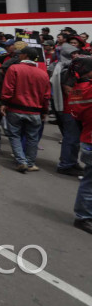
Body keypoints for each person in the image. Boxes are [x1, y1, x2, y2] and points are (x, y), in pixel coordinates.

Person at [1, 47, 51, 173]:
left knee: (14, 135)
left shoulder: (14, 69)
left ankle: (21, 161)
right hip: (35, 111)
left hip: (15, 109)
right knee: (32, 137)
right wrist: (44, 111)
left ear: (24, 55)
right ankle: (30, 163)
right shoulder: (43, 73)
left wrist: (4, 103)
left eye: (20, 54)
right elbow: (46, 96)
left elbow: (8, 89)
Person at [65, 54, 92, 234]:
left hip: (87, 136)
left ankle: (84, 214)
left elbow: (76, 114)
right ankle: (83, 216)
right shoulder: (89, 89)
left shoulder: (77, 89)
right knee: (89, 183)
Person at [52, 44, 84, 177]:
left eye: (77, 53)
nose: (76, 55)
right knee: (71, 138)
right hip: (69, 109)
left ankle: (71, 161)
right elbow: (68, 89)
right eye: (72, 54)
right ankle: (65, 164)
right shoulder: (67, 70)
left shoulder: (68, 68)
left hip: (72, 108)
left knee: (74, 139)